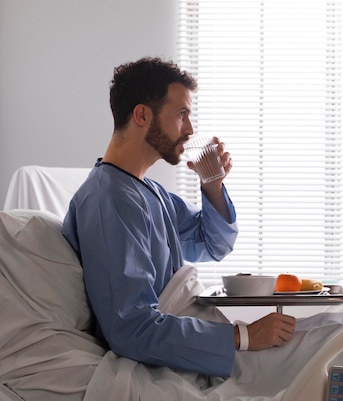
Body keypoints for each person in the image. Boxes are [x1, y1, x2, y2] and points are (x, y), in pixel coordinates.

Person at [62, 56, 297, 378]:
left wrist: (212, 185)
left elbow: (213, 244)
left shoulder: (149, 193)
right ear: (142, 115)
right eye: (182, 114)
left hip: (198, 338)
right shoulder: (110, 201)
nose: (190, 129)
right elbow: (129, 326)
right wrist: (244, 337)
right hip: (183, 353)